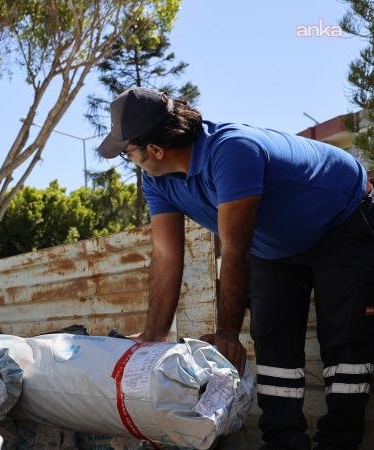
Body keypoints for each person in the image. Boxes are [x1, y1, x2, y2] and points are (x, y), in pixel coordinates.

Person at [97, 87, 373, 450]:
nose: (128, 159)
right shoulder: (156, 180)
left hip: (342, 219)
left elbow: (234, 249)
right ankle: (283, 443)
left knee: (344, 341)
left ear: (155, 150)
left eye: (127, 151)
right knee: (273, 343)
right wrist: (153, 333)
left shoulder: (232, 151)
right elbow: (166, 256)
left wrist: (227, 331)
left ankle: (341, 442)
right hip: (273, 245)